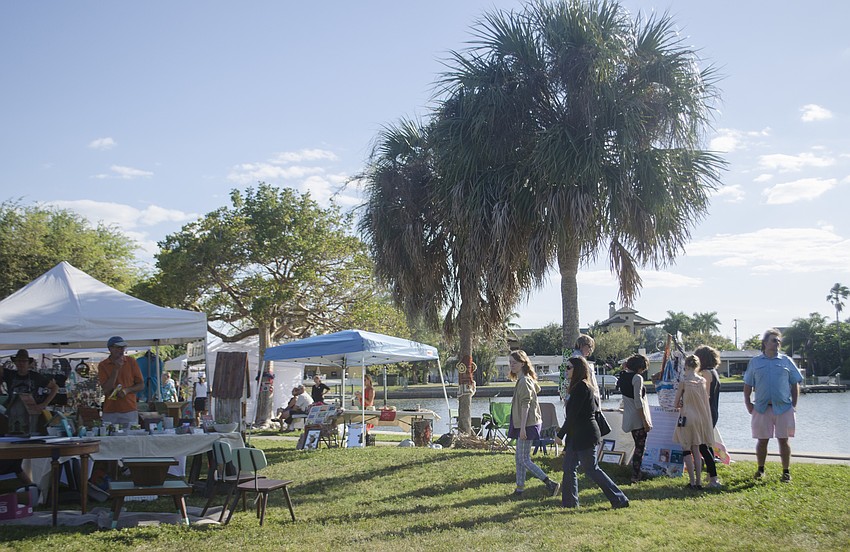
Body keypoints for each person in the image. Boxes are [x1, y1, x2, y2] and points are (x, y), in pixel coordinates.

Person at [558, 356, 629, 509]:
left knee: (591, 469)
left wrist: (560, 435)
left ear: (578, 369)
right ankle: (569, 503)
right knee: (569, 467)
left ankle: (620, 499)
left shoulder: (582, 387)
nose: (566, 371)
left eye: (569, 367)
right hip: (576, 435)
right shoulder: (577, 386)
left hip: (585, 434)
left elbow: (573, 415)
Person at [744, 328, 803, 483]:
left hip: (784, 407)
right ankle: (761, 469)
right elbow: (748, 384)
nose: (777, 343)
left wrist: (794, 405)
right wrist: (748, 403)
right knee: (762, 440)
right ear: (765, 343)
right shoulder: (755, 362)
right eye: (773, 340)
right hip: (762, 408)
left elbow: (795, 383)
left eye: (778, 341)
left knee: (783, 440)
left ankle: (786, 471)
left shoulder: (786, 361)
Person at [505, 350, 560, 497]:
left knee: (524, 458)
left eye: (514, 363)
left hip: (527, 424)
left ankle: (550, 483)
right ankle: (520, 488)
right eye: (510, 362)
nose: (512, 365)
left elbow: (526, 405)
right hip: (523, 423)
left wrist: (522, 428)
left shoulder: (524, 381)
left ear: (523, 363)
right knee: (519, 458)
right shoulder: (523, 379)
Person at [1, 349, 59, 483]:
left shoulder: (35, 376)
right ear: (15, 362)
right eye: (19, 361)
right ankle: (29, 484)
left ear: (29, 363)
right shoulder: (10, 375)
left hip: (31, 417)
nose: (21, 364)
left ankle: (33, 483)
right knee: (14, 454)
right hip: (12, 416)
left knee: (28, 451)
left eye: (24, 361)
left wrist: (43, 404)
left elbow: (54, 387)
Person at [672, 354, 716, 489]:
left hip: (686, 417)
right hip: (699, 419)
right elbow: (705, 401)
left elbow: (675, 404)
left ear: (686, 365)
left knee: (686, 449)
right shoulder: (702, 381)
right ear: (697, 366)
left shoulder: (684, 382)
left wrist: (682, 402)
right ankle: (699, 481)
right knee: (696, 449)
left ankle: (691, 481)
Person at [618, 353, 653, 484]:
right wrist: (645, 421)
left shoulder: (622, 376)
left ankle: (635, 471)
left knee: (636, 444)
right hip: (638, 416)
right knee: (640, 447)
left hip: (628, 415)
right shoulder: (637, 378)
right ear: (640, 367)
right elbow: (638, 401)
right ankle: (636, 474)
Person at [97, 336, 144, 427]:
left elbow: (141, 385)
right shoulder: (103, 365)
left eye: (123, 347)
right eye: (118, 347)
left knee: (131, 437)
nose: (121, 350)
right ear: (110, 349)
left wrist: (126, 391)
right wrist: (116, 369)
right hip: (110, 410)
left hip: (129, 409)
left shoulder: (131, 362)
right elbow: (106, 389)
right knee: (109, 438)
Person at [694, 344, 722, 487]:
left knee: (702, 446)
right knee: (707, 444)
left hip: (706, 412)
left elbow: (704, 395)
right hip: (712, 411)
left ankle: (714, 478)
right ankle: (712, 474)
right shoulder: (713, 372)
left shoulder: (705, 374)